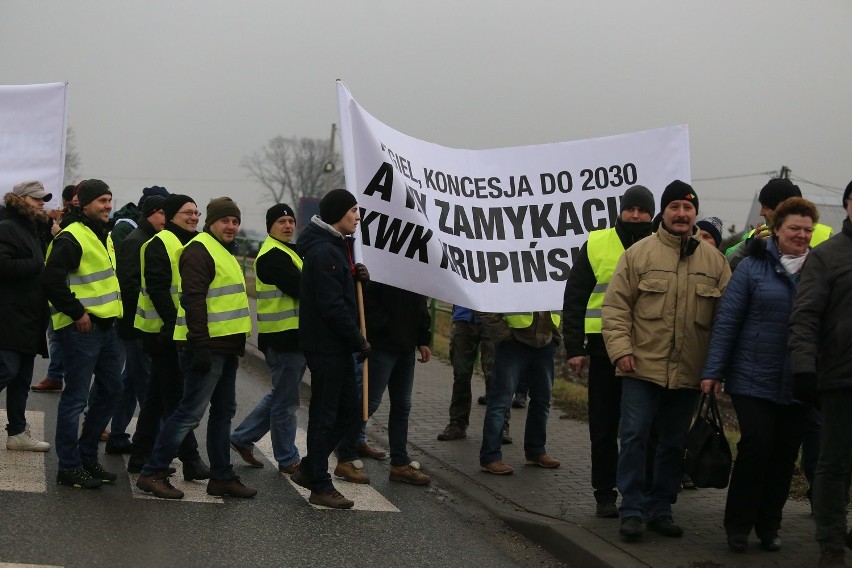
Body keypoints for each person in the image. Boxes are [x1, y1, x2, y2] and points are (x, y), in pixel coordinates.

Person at [602, 180, 731, 540]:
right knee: (634, 437)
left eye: (688, 208)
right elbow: (615, 308)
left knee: (673, 444)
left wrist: (716, 368)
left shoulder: (716, 263)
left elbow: (725, 320)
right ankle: (631, 508)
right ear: (664, 212)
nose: (681, 213)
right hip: (640, 367)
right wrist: (622, 351)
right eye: (674, 207)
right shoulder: (639, 255)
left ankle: (661, 507)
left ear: (695, 214)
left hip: (689, 372)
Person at [702, 197, 818, 553]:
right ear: (778, 229)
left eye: (807, 230)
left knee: (785, 456)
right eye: (794, 229)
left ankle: (769, 524)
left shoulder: (819, 270)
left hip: (800, 380)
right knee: (757, 446)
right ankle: (738, 524)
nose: (801, 236)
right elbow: (727, 323)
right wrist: (713, 371)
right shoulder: (752, 268)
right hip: (753, 376)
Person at [136, 197, 255, 499]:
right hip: (207, 347)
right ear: (211, 223)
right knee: (189, 413)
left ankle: (221, 476)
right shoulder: (200, 250)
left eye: (235, 221)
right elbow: (193, 300)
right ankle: (153, 472)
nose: (231, 226)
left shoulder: (223, 251)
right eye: (225, 220)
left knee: (223, 412)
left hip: (225, 347)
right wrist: (200, 345)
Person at [562, 185, 655, 518]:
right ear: (621, 210)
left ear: (650, 213)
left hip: (647, 350)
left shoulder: (662, 243)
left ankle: (639, 491)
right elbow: (575, 297)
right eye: (630, 208)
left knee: (641, 428)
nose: (635, 215)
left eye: (642, 210)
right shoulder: (598, 243)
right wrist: (574, 347)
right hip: (602, 350)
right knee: (603, 427)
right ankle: (604, 493)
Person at [290, 189, 370, 509]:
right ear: (338, 213)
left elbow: (341, 293)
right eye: (353, 211)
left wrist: (357, 276)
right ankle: (320, 484)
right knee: (326, 415)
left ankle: (310, 468)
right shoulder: (324, 251)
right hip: (326, 347)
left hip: (338, 346)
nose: (358, 217)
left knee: (349, 411)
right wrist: (357, 340)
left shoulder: (338, 247)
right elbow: (331, 305)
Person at [42, 179, 124, 489]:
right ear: (85, 204)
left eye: (109, 200)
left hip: (105, 326)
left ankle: (87, 457)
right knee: (75, 398)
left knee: (112, 391)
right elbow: (51, 280)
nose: (107, 205)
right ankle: (69, 466)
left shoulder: (102, 234)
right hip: (82, 329)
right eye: (102, 200)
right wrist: (77, 313)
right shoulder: (72, 236)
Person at [788, 181, 852, 568]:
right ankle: (831, 542)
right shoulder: (827, 256)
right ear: (847, 205)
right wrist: (804, 370)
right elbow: (806, 316)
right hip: (841, 377)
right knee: (834, 462)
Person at [129, 194, 208, 480]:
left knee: (157, 397)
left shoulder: (192, 242)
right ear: (172, 215)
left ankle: (139, 454)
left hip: (176, 332)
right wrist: (175, 324)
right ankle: (191, 458)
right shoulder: (159, 243)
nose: (194, 217)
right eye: (188, 212)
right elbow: (159, 289)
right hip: (161, 334)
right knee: (176, 398)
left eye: (197, 213)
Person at [230, 203, 306, 475]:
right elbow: (302, 288)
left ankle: (242, 437)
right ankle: (288, 459)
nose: (287, 225)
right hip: (283, 340)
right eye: (281, 221)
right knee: (286, 403)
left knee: (281, 396)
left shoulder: (288, 251)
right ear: (270, 226)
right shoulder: (272, 256)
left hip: (293, 339)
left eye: (290, 220)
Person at [335, 281, 433, 486]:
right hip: (382, 347)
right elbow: (368, 302)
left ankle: (400, 464)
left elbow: (422, 305)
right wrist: (389, 328)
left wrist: (423, 338)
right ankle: (345, 457)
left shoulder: (416, 270)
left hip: (406, 349)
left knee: (402, 406)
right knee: (368, 403)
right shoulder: (383, 266)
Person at [106, 193, 168, 455]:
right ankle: (157, 446)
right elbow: (130, 287)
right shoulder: (136, 241)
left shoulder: (148, 238)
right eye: (163, 214)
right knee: (148, 390)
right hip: (137, 328)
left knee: (130, 383)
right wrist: (135, 325)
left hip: (138, 327)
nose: (166, 219)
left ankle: (117, 436)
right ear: (151, 213)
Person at [0, 181, 53, 452]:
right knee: (7, 370)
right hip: (9, 316)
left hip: (30, 317)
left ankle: (17, 432)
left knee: (21, 379)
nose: (42, 203)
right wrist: (37, 264)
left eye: (43, 199)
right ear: (20, 199)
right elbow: (3, 265)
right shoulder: (8, 227)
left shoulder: (32, 229)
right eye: (37, 199)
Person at [478, 309, 562, 475]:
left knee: (542, 401)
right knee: (500, 403)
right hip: (512, 344)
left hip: (545, 343)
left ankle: (536, 452)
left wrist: (556, 335)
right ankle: (490, 457)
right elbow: (485, 305)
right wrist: (503, 335)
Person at [31, 184, 78, 394]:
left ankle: (61, 378)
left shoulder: (79, 223)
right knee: (56, 335)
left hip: (71, 291)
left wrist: (58, 232)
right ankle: (55, 375)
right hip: (57, 286)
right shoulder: (60, 218)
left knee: (63, 337)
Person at [726, 178, 832, 270]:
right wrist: (749, 245)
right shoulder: (758, 234)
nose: (761, 212)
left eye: (766, 207)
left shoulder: (826, 236)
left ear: (783, 209)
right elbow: (725, 265)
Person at [436, 306, 498, 441]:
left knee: (494, 376)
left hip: (492, 317)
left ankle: (500, 426)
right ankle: (457, 423)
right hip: (463, 317)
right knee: (461, 375)